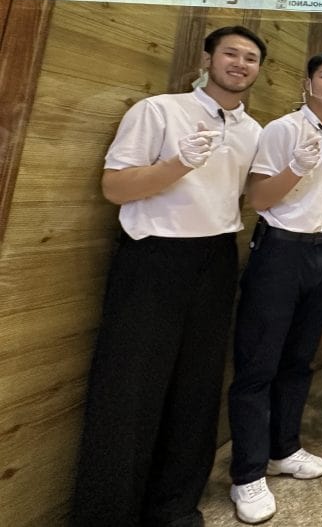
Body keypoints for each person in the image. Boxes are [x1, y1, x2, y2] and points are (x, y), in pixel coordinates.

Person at [72, 26, 266, 527]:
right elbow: (115, 186)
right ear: (208, 58)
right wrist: (177, 163)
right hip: (154, 257)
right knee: (130, 389)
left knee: (198, 388)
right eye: (231, 54)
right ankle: (109, 514)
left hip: (217, 255)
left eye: (250, 58)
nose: (240, 64)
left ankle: (176, 508)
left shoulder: (251, 130)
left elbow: (247, 196)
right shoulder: (159, 111)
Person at [227, 51, 322, 524]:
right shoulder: (282, 129)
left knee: (300, 359)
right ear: (308, 83)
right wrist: (296, 167)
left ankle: (284, 449)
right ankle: (246, 473)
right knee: (258, 362)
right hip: (280, 249)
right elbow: (257, 198)